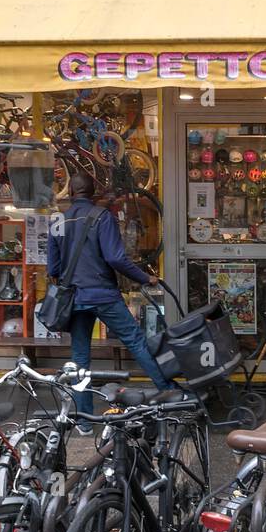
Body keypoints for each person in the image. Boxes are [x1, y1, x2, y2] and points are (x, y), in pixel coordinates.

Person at [46, 172, 176, 422]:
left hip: (74, 298)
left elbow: (53, 269)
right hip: (103, 294)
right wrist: (143, 277)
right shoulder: (101, 217)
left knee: (80, 356)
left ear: (71, 193)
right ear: (93, 193)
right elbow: (115, 258)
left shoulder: (58, 221)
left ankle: (83, 417)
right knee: (136, 341)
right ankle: (168, 391)